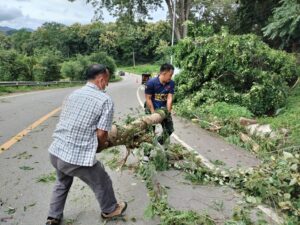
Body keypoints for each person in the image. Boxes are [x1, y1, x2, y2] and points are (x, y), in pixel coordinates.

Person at [46, 64, 127, 225]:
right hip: (74, 158)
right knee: (101, 179)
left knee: (62, 182)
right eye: (108, 80)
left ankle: (53, 216)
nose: (108, 84)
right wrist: (101, 145)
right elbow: (102, 134)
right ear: (101, 79)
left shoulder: (73, 94)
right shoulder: (105, 100)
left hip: (56, 152)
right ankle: (110, 210)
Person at [144, 63, 175, 145]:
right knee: (150, 132)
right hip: (151, 107)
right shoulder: (151, 83)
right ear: (164, 73)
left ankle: (157, 143)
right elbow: (148, 98)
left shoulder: (171, 83)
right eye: (170, 75)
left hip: (163, 109)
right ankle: (146, 155)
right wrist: (153, 113)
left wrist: (168, 112)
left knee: (169, 129)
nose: (171, 77)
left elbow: (169, 98)